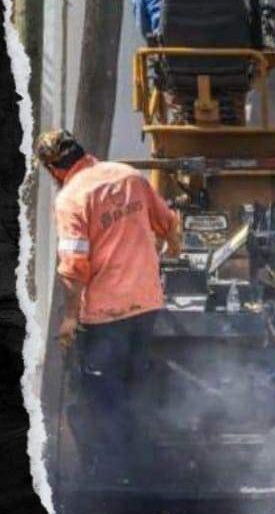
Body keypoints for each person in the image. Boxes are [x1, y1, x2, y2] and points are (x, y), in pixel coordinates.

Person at [37, 130, 182, 483]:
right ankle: (146, 472)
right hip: (146, 304)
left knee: (104, 395)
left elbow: (74, 265)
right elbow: (169, 223)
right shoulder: (129, 176)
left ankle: (113, 479)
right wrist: (172, 251)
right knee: (136, 386)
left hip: (105, 315)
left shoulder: (72, 197)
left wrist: (70, 318)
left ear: (55, 170)